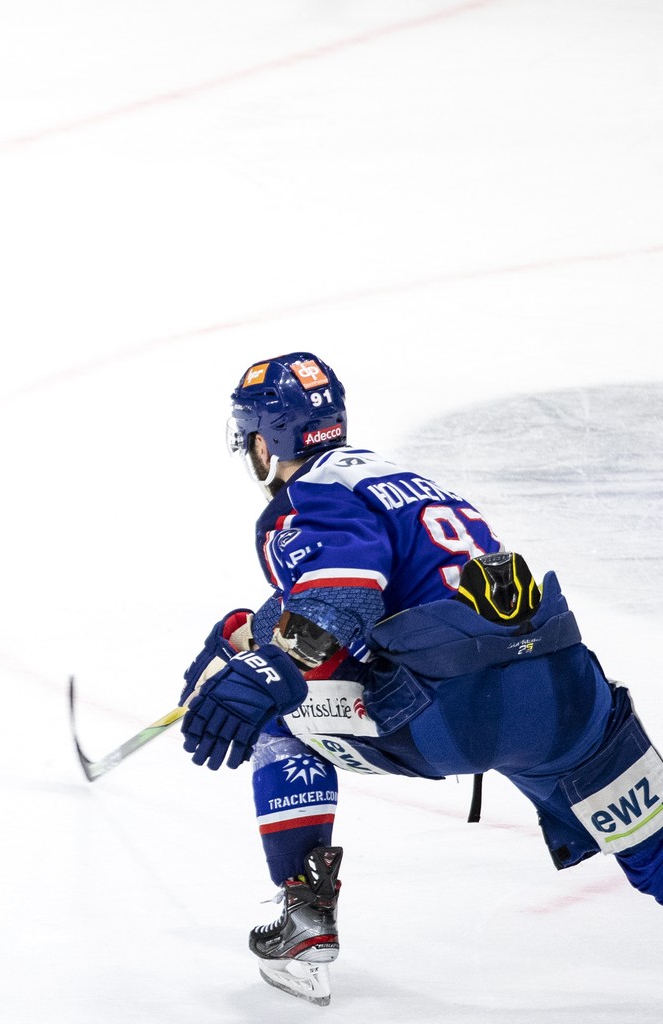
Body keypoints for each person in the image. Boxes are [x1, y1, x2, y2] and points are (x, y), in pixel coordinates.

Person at [177, 352, 662, 1006]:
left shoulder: (308, 498)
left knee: (272, 705)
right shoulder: (411, 483)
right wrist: (250, 629)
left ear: (268, 438)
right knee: (655, 847)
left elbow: (341, 600)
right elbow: (391, 588)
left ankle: (305, 921)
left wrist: (260, 667)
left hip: (453, 711)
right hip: (562, 692)